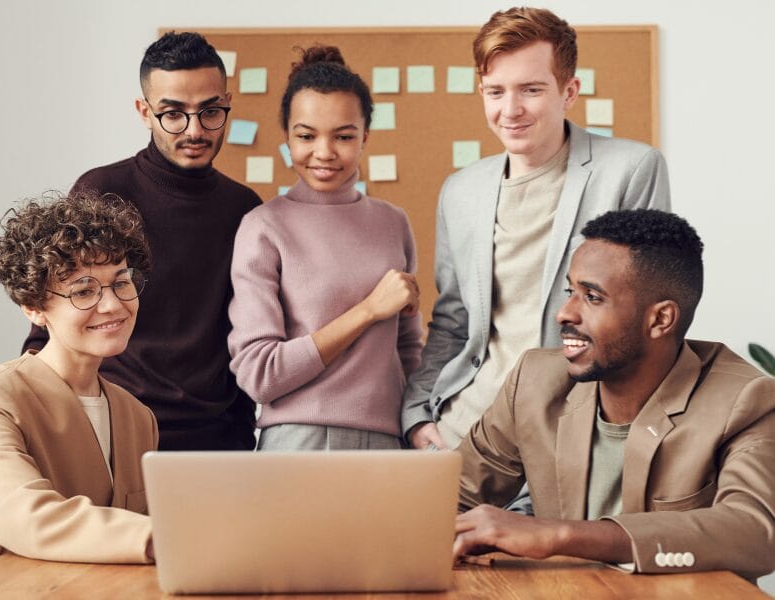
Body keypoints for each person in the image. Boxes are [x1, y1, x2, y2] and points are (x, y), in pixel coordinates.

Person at [402, 7, 671, 452]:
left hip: (572, 431)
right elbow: (453, 321)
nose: (510, 110)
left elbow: (643, 316)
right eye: (495, 91)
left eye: (531, 89)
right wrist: (416, 414)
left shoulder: (631, 169)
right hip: (462, 433)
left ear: (569, 91)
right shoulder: (460, 191)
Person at [453, 209, 775, 580]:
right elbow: (451, 497)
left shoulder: (745, 398)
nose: (564, 313)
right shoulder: (535, 380)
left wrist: (558, 535)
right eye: (570, 291)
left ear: (660, 319)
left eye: (592, 297)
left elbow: (754, 532)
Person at [23, 32, 262, 450]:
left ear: (227, 102)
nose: (194, 130)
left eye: (210, 111)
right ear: (144, 111)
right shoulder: (102, 190)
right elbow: (55, 311)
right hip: (114, 430)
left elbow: (246, 334)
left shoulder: (245, 208)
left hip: (218, 440)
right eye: (173, 113)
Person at [228, 46, 423, 450]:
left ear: (365, 136)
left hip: (391, 444)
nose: (324, 152)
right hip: (298, 442)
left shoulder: (393, 222)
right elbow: (260, 374)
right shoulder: (264, 227)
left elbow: (408, 351)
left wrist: (420, 427)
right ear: (286, 135)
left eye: (344, 136)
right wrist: (369, 310)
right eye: (306, 135)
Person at [0, 192, 157, 567]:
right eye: (84, 291)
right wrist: (166, 536)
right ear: (33, 307)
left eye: (121, 282)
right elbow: (23, 515)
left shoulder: (138, 417)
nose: (113, 304)